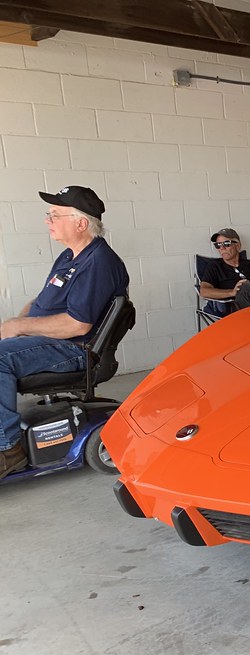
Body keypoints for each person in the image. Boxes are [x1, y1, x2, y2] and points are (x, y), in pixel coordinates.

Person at [0, 185, 129, 479]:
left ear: (80, 223)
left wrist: (20, 328)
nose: (48, 220)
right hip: (47, 342)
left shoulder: (99, 262)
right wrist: (17, 326)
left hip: (72, 350)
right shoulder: (70, 256)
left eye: (54, 215)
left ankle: (8, 449)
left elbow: (77, 325)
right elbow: (41, 301)